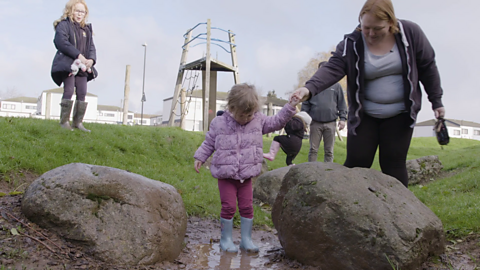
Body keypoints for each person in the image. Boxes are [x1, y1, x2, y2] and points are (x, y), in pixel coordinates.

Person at [291, 0, 445, 187]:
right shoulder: (352, 42)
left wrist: (436, 100)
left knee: (393, 164)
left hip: (401, 114)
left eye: (377, 28)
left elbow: (427, 66)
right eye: (366, 28)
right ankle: (348, 209)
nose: (371, 33)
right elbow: (333, 67)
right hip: (365, 115)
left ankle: (397, 213)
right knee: (357, 162)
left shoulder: (410, 34)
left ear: (391, 22)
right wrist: (308, 89)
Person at [194, 83, 299, 253]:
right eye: (243, 115)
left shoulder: (258, 120)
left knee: (247, 207)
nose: (247, 118)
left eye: (250, 114)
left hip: (246, 175)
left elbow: (277, 122)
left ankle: (246, 239)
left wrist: (290, 106)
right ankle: (226, 239)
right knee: (228, 206)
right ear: (232, 107)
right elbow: (208, 142)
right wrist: (200, 156)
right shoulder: (219, 123)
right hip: (226, 175)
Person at [51, 0, 98, 132]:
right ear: (70, 11)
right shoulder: (64, 25)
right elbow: (62, 42)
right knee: (69, 90)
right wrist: (79, 56)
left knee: (82, 92)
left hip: (83, 67)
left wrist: (91, 60)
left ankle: (78, 123)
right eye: (77, 11)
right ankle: (64, 122)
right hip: (68, 65)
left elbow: (92, 48)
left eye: (82, 12)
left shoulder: (87, 29)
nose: (79, 14)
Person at [301, 61, 347, 163]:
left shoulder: (336, 86)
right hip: (315, 123)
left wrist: (343, 119)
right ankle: (311, 171)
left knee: (329, 151)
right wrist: (303, 121)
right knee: (313, 150)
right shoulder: (312, 86)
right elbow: (305, 105)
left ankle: (328, 172)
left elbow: (342, 104)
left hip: (330, 122)